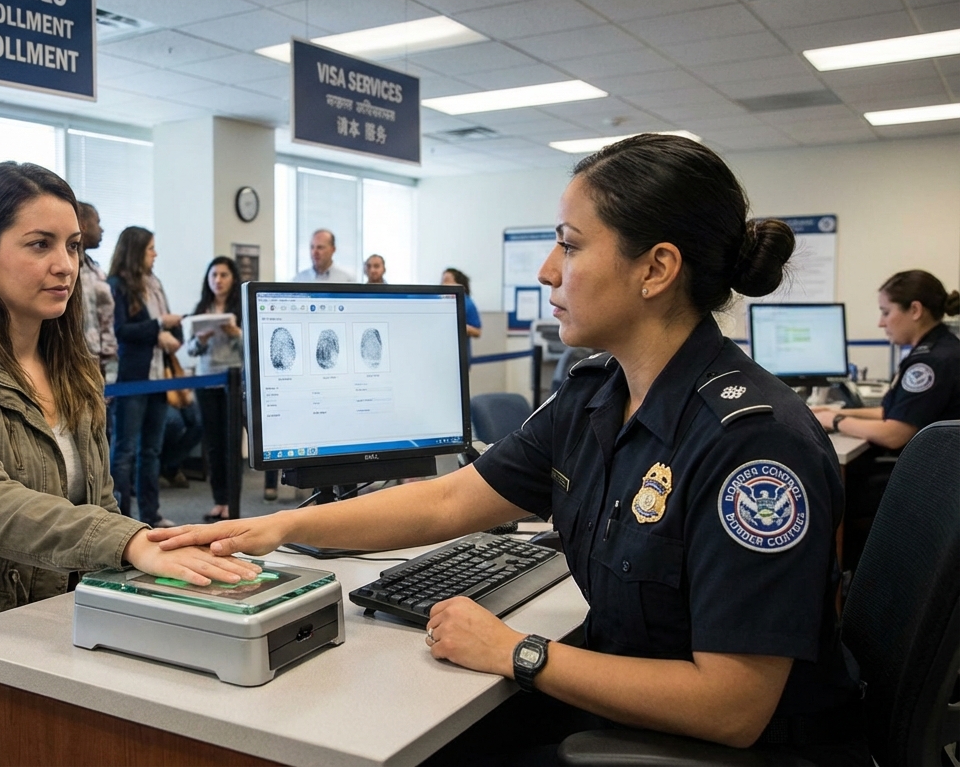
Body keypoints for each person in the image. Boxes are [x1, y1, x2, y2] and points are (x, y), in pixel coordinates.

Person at [151, 134, 869, 765]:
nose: (549, 270)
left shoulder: (751, 445)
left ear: (655, 269)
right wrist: (281, 526)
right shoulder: (597, 398)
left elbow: (730, 709)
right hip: (627, 712)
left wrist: (517, 652)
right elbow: (451, 498)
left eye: (572, 244)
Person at [0, 163, 258, 752]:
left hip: (55, 626)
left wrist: (163, 558)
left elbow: (100, 503)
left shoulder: (73, 366)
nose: (65, 265)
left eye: (72, 246)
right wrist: (129, 540)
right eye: (39, 245)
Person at [812, 269, 960, 568]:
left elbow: (896, 433)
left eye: (886, 312)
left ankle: (842, 588)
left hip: (921, 482)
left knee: (826, 493)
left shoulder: (930, 362)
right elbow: (897, 411)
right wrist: (840, 412)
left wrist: (834, 422)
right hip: (940, 478)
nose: (881, 322)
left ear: (915, 310)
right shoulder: (940, 348)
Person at [107, 226, 183, 528]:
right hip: (132, 377)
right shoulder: (117, 285)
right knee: (124, 451)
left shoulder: (155, 283)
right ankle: (121, 519)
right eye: (151, 248)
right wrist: (158, 327)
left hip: (159, 376)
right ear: (136, 250)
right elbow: (120, 331)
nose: (155, 254)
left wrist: (173, 332)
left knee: (151, 450)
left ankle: (151, 515)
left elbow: (166, 323)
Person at [186, 256, 245, 521]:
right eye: (214, 275)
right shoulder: (201, 308)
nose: (218, 280)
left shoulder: (241, 308)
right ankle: (219, 500)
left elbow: (252, 351)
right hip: (205, 380)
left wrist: (238, 335)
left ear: (233, 279)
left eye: (223, 275)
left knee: (231, 443)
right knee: (213, 445)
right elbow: (189, 351)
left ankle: (232, 502)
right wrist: (199, 340)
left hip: (233, 382)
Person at [76, 202, 118, 383]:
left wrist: (105, 359)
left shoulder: (92, 267)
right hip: (75, 363)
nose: (101, 229)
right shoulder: (67, 268)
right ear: (83, 225)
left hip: (97, 361)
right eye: (97, 222)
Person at [442, 267, 483, 364]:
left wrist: (458, 326)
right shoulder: (441, 303)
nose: (443, 285)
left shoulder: (467, 303)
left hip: (460, 357)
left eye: (447, 281)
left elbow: (477, 332)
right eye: (442, 281)